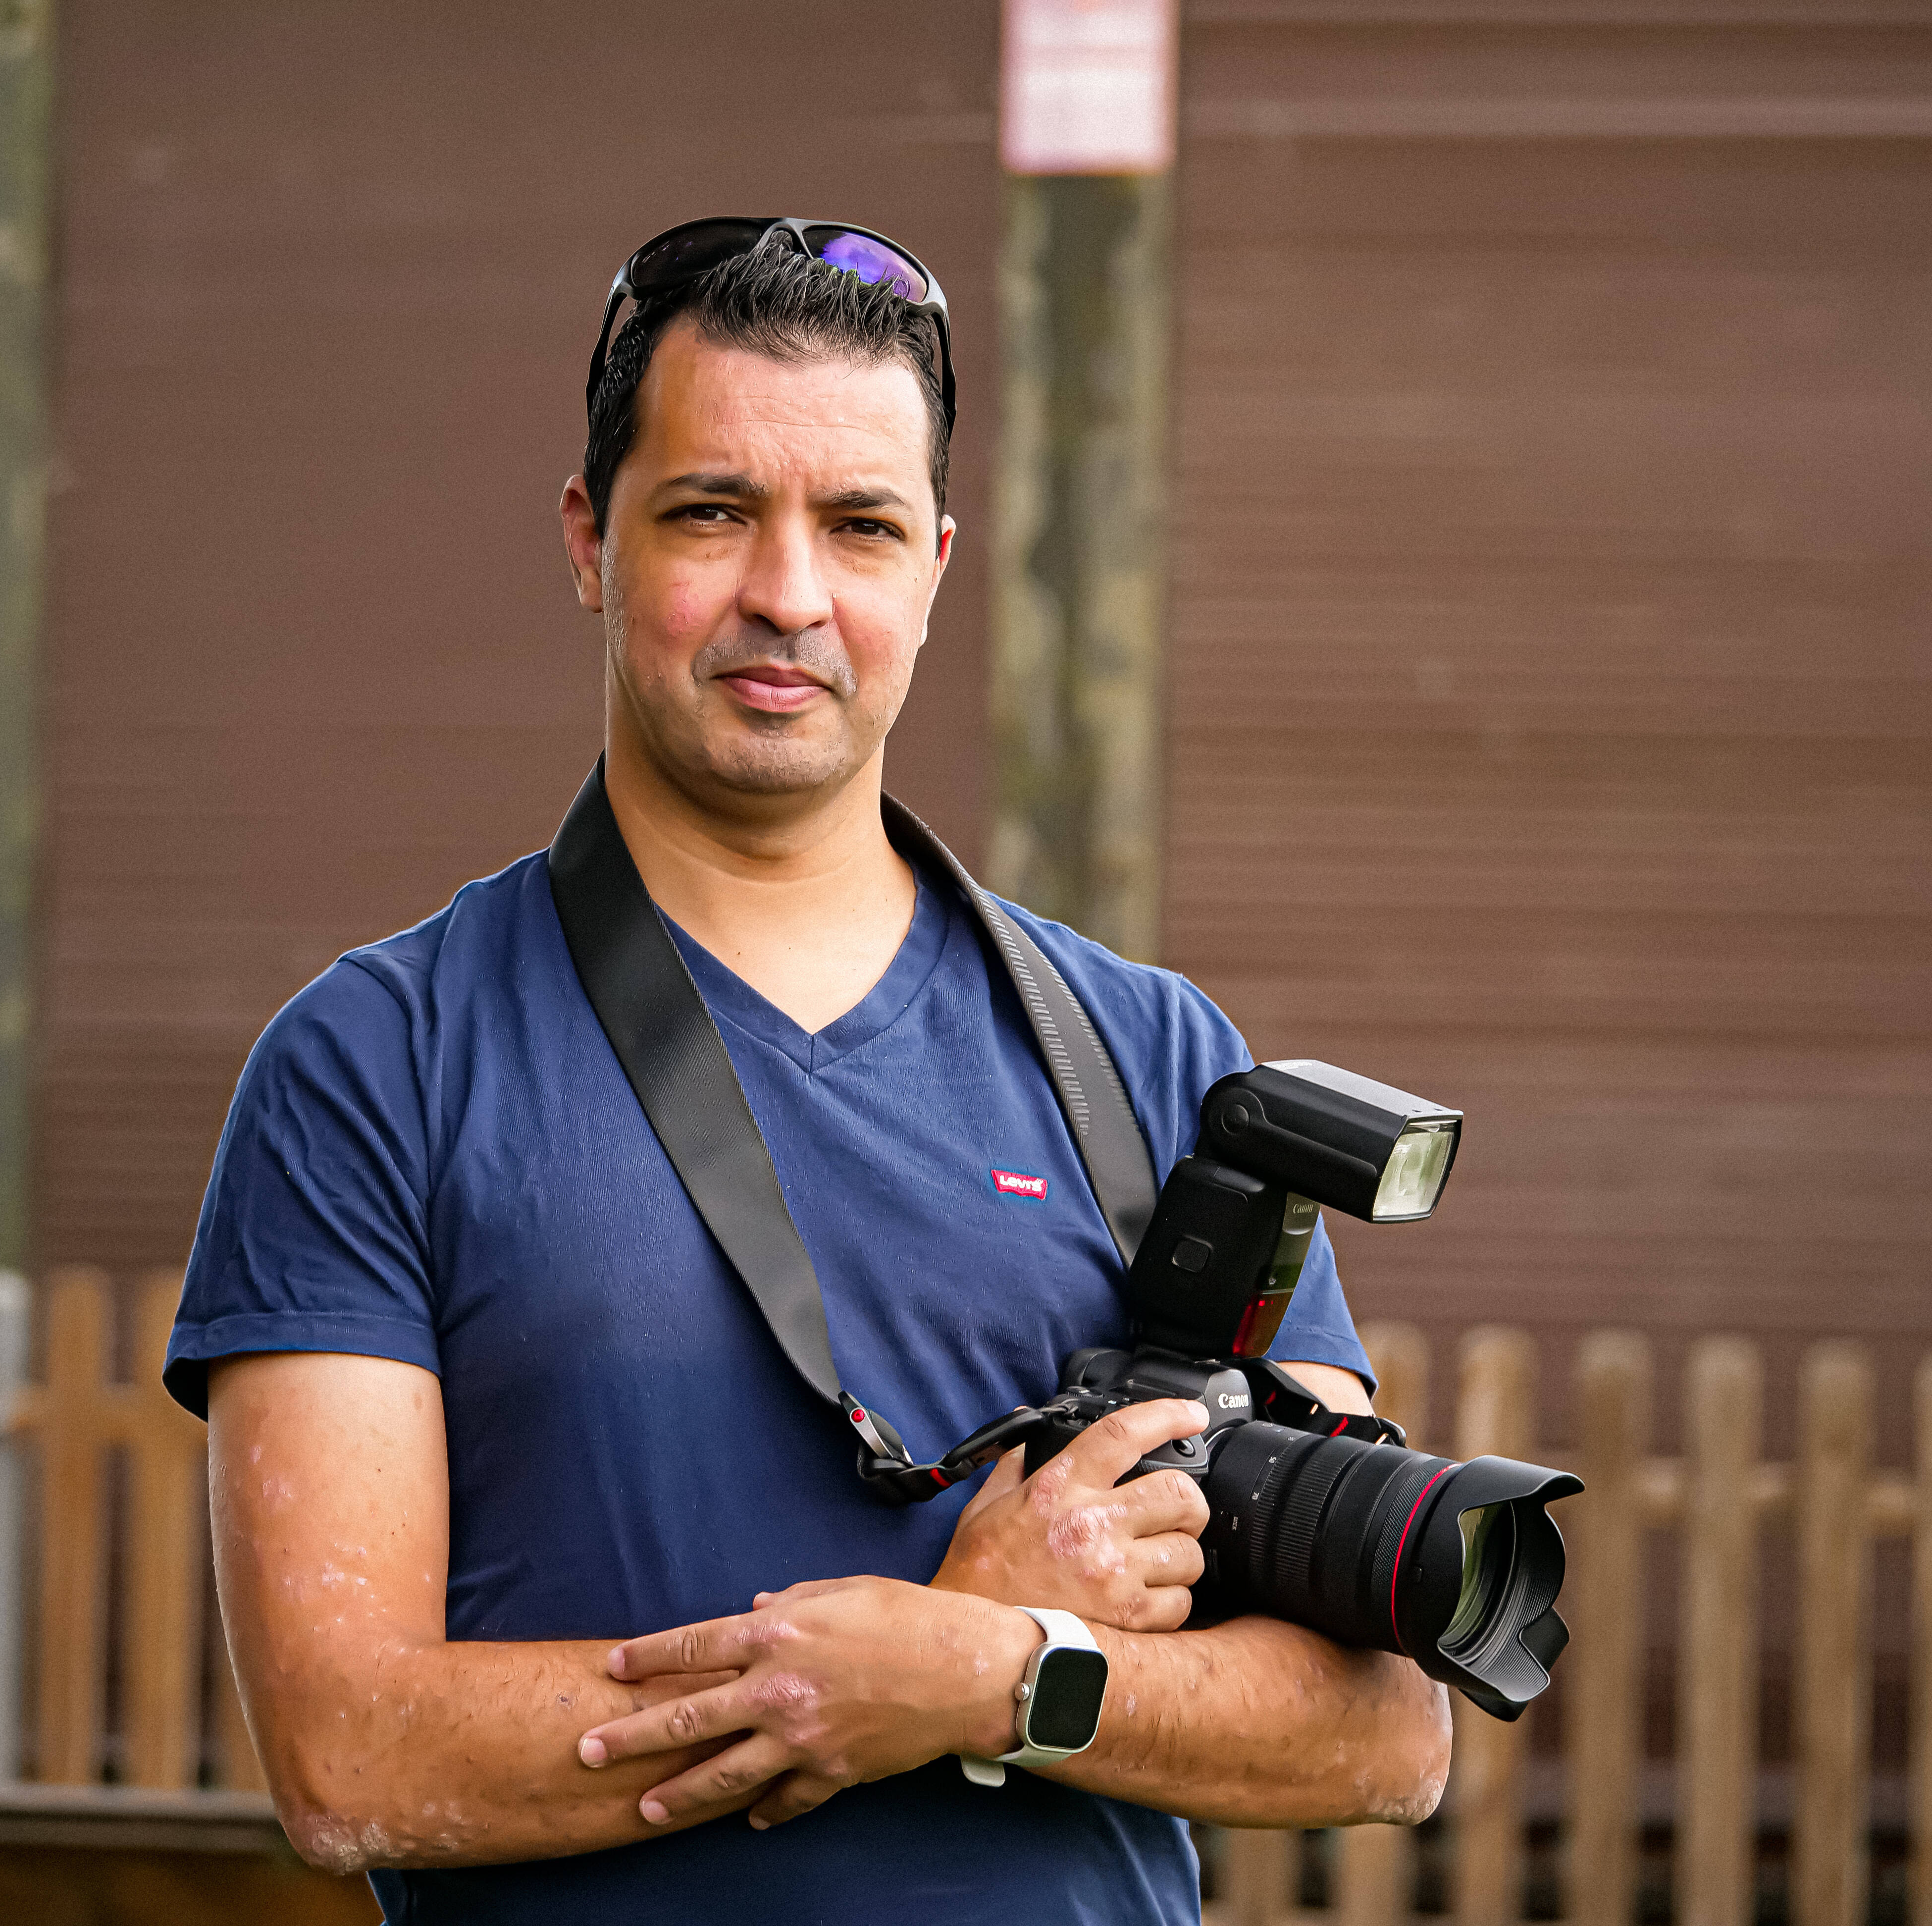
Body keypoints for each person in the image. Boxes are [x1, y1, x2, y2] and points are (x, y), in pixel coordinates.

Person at [168, 217, 1450, 1926]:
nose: (789, 592)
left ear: (930, 564)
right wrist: (847, 1676)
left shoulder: (1150, 1059)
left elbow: (1379, 1735)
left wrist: (992, 1673)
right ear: (586, 541)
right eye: (712, 512)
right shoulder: (377, 1064)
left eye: (854, 526)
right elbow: (348, 1755)